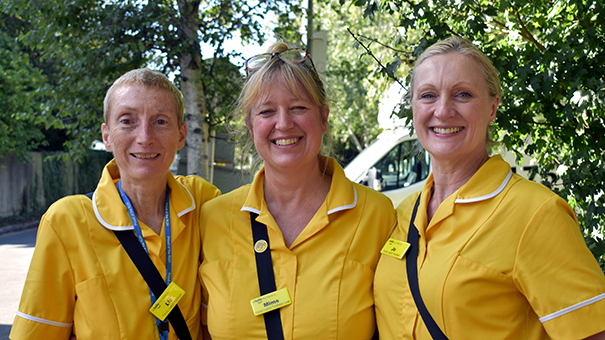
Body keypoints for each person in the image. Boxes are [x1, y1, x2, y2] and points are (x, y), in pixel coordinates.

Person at [373, 36, 605, 339]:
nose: (443, 111)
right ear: (414, 108)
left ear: (493, 108)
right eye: (428, 95)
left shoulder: (535, 214)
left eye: (463, 94)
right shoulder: (403, 215)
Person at [199, 43, 396, 339]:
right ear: (250, 127)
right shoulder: (212, 219)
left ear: (324, 117)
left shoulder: (378, 215)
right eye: (267, 111)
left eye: (298, 108)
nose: (284, 123)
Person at [10, 68, 220, 340]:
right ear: (107, 135)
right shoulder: (67, 221)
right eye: (127, 121)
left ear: (181, 135)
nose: (144, 137)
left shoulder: (203, 203)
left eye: (160, 121)